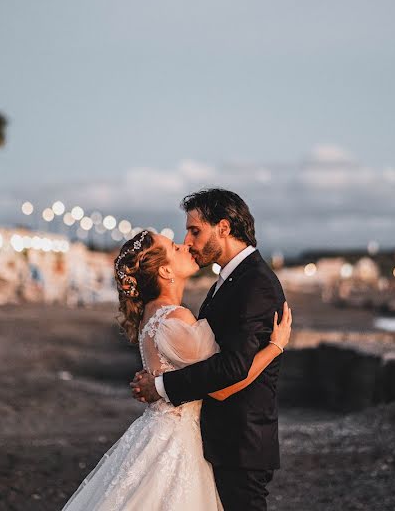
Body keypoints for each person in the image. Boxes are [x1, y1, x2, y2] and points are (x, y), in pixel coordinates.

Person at [62, 226, 292, 510]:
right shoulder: (176, 317)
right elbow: (223, 382)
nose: (185, 245)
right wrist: (275, 347)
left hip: (157, 432)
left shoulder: (152, 316)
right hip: (179, 442)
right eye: (174, 247)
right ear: (165, 272)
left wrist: (158, 386)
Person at [131, 189, 287, 511]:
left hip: (242, 443)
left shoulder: (254, 282)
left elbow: (231, 369)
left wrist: (160, 386)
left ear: (224, 228)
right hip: (220, 441)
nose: (187, 241)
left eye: (195, 230)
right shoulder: (227, 281)